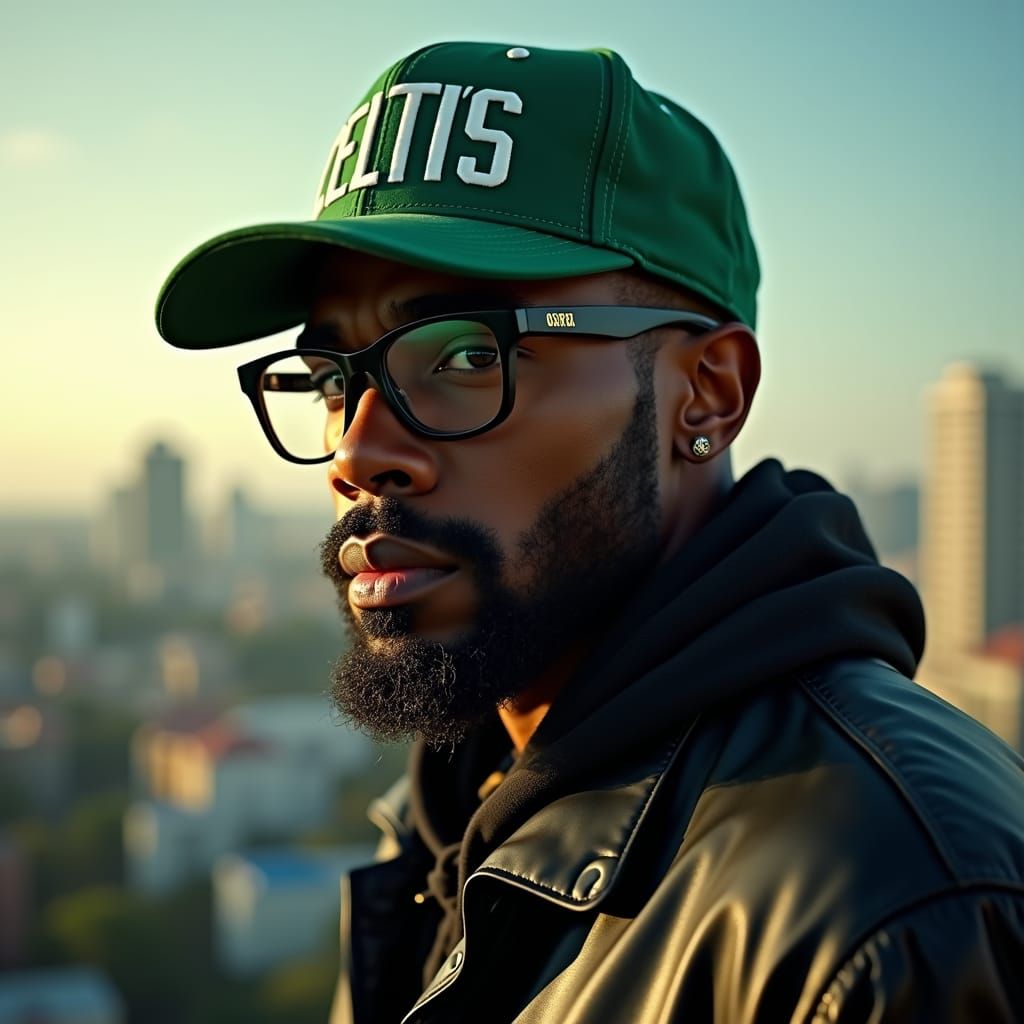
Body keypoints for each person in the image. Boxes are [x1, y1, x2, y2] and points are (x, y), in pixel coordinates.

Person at [155, 41, 1024, 1024]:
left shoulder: (893, 911)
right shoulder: (447, 809)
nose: (356, 453)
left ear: (707, 393)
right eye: (330, 380)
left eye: (466, 355)